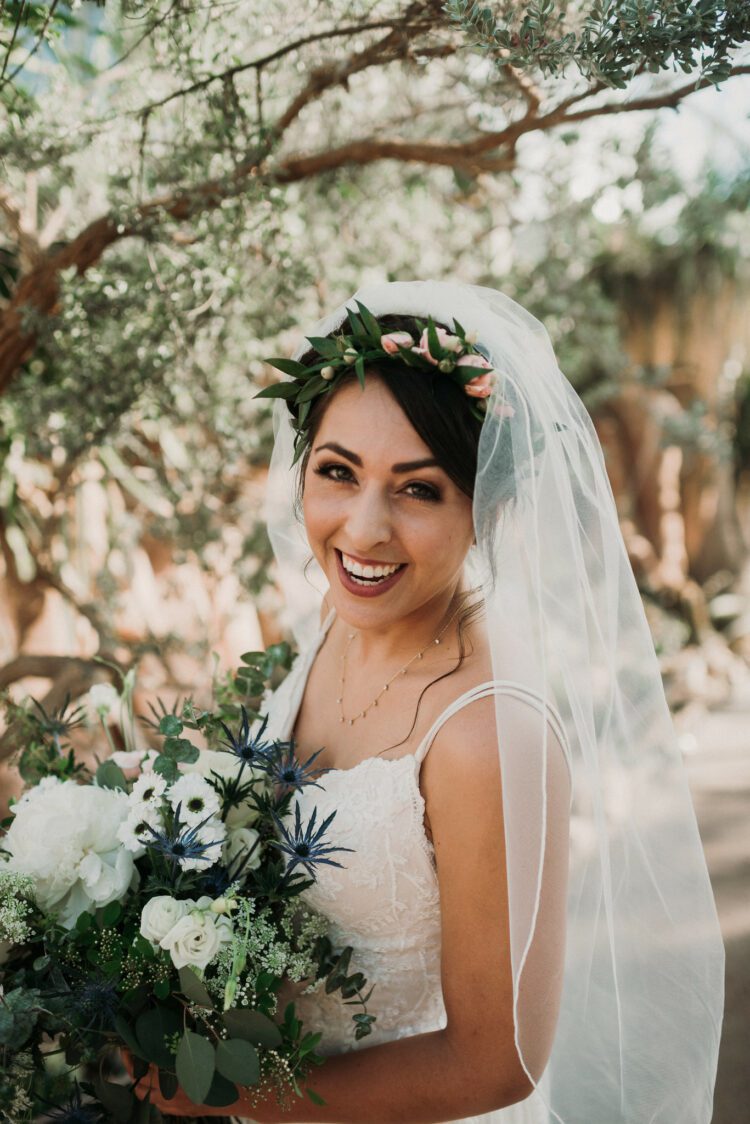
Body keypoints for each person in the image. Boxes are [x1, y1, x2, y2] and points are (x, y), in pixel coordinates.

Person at [140, 281, 724, 1122]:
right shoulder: (339, 629)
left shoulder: (490, 735)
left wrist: (233, 1095)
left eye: (418, 489)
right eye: (338, 472)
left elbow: (500, 1062)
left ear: (486, 508)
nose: (365, 529)